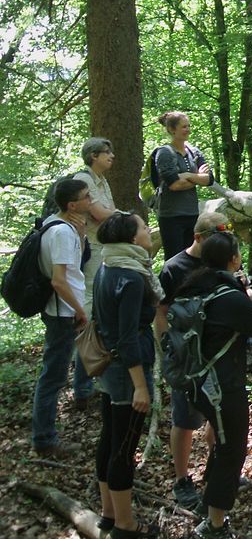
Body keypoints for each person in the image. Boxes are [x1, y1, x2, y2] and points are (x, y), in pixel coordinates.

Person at [180, 232, 252, 539]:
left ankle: (209, 501)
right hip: (221, 385)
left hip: (194, 380)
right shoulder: (231, 297)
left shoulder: (191, 286)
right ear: (234, 260)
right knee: (231, 448)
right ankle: (215, 524)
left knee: (219, 439)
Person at [92, 212, 160, 539]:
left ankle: (108, 514)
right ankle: (125, 525)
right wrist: (140, 387)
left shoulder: (107, 266)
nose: (149, 232)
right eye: (145, 228)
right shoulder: (131, 277)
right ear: (133, 239)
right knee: (123, 447)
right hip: (126, 370)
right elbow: (128, 335)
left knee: (110, 438)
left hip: (110, 366)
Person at [159, 211, 231, 511]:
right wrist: (168, 350)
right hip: (187, 354)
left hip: (217, 352)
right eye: (216, 236)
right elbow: (161, 312)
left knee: (219, 415)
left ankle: (216, 470)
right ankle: (181, 480)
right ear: (199, 237)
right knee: (185, 419)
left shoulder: (220, 262)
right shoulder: (174, 268)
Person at [31, 178, 92, 457]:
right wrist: (79, 311)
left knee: (54, 375)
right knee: (53, 377)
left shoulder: (63, 227)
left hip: (62, 310)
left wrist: (80, 236)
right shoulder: (61, 232)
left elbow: (72, 268)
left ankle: (45, 436)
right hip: (62, 313)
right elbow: (58, 281)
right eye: (86, 197)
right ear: (72, 204)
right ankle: (44, 440)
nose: (90, 200)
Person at [75, 137, 117, 410]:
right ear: (93, 156)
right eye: (106, 153)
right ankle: (83, 385)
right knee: (90, 314)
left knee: (101, 311)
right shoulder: (84, 180)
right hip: (91, 252)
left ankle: (94, 378)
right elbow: (101, 214)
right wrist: (124, 218)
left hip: (104, 249)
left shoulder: (101, 180)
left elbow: (108, 212)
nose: (111, 156)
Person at [153, 111, 214, 258]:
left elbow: (209, 179)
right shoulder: (165, 153)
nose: (188, 130)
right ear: (172, 130)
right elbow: (174, 185)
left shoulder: (194, 152)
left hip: (192, 213)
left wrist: (187, 176)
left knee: (193, 257)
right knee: (175, 258)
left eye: (189, 126)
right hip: (171, 216)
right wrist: (197, 178)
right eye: (184, 127)